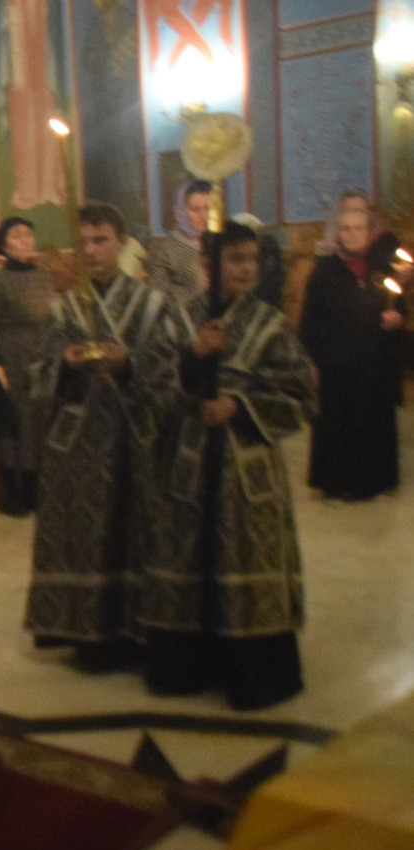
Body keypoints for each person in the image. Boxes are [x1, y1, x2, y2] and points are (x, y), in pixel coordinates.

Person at [139, 221, 318, 710]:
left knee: (245, 558)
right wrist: (192, 358)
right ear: (209, 265)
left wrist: (240, 407)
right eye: (235, 259)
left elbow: (302, 396)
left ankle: (251, 675)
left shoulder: (269, 324)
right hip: (188, 471)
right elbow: (151, 386)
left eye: (252, 259)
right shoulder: (180, 319)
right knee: (188, 559)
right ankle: (188, 668)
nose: (246, 269)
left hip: (247, 475)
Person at [25, 203, 184, 666]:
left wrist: (128, 364)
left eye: (101, 241)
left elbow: (175, 371)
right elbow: (36, 374)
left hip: (135, 439)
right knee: (84, 537)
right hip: (79, 446)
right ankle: (85, 632)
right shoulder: (66, 308)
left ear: (122, 243)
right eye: (84, 243)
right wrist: (64, 363)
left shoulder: (152, 305)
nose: (92, 251)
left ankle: (134, 629)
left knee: (132, 534)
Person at [301, 206, 406, 501]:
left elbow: (399, 306)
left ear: (369, 233)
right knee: (338, 424)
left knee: (373, 424)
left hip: (374, 362)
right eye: (346, 228)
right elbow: (309, 320)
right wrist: (310, 361)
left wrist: (397, 317)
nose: (352, 234)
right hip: (336, 364)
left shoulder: (382, 267)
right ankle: (336, 482)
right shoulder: (324, 271)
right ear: (337, 233)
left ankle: (376, 481)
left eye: (358, 228)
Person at [0, 215, 55, 516]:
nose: (25, 240)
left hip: (41, 357)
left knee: (37, 424)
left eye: (28, 234)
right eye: (17, 235)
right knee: (14, 424)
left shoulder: (44, 276)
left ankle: (35, 491)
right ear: (4, 245)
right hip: (11, 358)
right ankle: (12, 494)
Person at [146, 179, 212, 306]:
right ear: (179, 212)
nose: (204, 216)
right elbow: (157, 301)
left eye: (208, 208)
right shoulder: (165, 250)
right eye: (195, 210)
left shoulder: (219, 243)